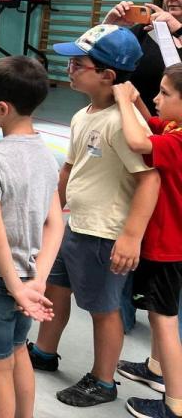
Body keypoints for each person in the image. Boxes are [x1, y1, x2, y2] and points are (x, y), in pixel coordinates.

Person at [29, 24, 159, 408]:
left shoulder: (122, 124)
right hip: (76, 225)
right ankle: (45, 350)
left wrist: (131, 236)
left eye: (77, 63)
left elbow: (149, 180)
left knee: (104, 310)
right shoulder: (84, 114)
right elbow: (69, 169)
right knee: (56, 289)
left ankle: (104, 381)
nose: (69, 68)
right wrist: (53, 215)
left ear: (108, 75)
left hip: (105, 232)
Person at [0, 56, 64, 418]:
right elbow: (56, 223)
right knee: (19, 349)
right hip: (29, 276)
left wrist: (15, 286)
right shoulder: (46, 154)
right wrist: (35, 281)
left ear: (2, 108)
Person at [114, 71, 182, 418]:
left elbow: (139, 142)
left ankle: (175, 404)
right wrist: (138, 100)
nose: (157, 99)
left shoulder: (178, 143)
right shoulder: (174, 128)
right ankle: (156, 368)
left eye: (164, 93)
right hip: (170, 243)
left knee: (163, 319)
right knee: (161, 316)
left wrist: (124, 101)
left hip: (168, 247)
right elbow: (154, 123)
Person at [103, 0, 182, 114]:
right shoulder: (145, 30)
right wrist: (108, 25)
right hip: (137, 121)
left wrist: (178, 29)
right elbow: (98, 59)